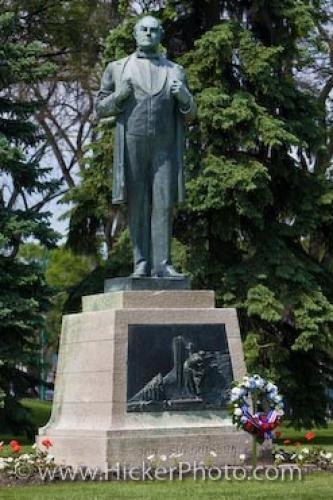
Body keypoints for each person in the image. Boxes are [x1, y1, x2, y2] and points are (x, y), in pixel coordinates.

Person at [96, 15, 196, 277]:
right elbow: (100, 107)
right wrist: (119, 96)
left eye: (154, 30)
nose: (149, 34)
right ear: (135, 33)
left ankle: (163, 264)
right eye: (144, 29)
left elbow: (190, 112)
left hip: (164, 148)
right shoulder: (117, 68)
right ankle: (141, 263)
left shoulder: (175, 70)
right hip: (132, 144)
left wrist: (183, 96)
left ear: (161, 35)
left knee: (163, 204)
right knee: (138, 203)